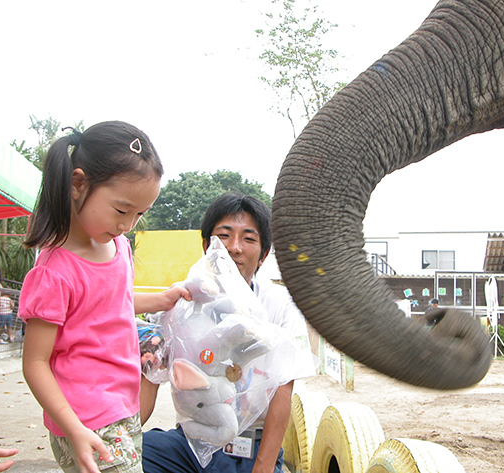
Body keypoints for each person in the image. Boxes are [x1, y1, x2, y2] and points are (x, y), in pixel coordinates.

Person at [18, 121, 190, 473]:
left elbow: (114, 303)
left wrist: (162, 300)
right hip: (84, 416)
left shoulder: (118, 247)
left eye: (139, 214)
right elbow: (35, 362)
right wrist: (73, 428)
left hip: (122, 406)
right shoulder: (54, 271)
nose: (128, 224)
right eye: (121, 210)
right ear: (79, 184)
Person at [141, 193, 316, 473]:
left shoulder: (280, 304)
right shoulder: (181, 299)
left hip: (250, 451)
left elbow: (283, 391)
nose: (234, 248)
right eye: (223, 236)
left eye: (249, 239)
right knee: (135, 455)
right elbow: (149, 378)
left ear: (264, 254)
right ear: (206, 246)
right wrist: (116, 443)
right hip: (191, 443)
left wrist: (263, 468)